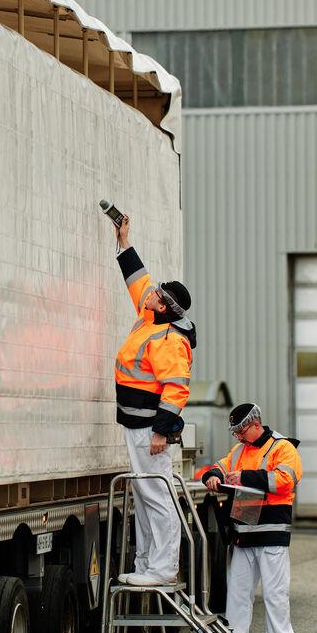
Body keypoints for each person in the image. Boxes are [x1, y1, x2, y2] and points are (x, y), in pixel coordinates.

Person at [110, 214, 196, 586]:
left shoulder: (169, 339)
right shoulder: (150, 319)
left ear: (165, 306)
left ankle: (162, 568)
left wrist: (162, 432)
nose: (150, 292)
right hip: (136, 425)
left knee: (156, 495)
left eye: (157, 294)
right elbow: (137, 279)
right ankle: (147, 565)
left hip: (150, 429)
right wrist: (124, 240)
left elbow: (177, 390)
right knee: (144, 494)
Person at [203, 402, 303, 633]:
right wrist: (213, 475)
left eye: (240, 432)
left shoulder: (283, 448)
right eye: (235, 433)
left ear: (255, 425)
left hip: (272, 532)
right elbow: (222, 466)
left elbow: (285, 480)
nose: (238, 437)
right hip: (244, 533)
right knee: (238, 592)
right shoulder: (239, 450)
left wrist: (245, 477)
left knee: (275, 593)